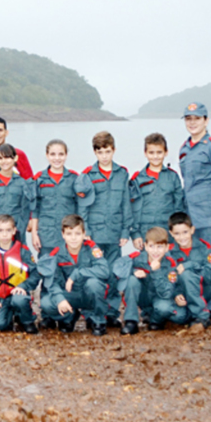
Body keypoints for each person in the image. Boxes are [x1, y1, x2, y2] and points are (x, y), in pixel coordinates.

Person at [178, 101, 211, 318]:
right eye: (189, 119)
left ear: (206, 120)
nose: (192, 123)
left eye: (197, 119)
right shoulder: (184, 149)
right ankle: (197, 304)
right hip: (191, 216)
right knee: (193, 259)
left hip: (210, 215)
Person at [78, 131, 132, 326]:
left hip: (115, 233)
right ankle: (93, 314)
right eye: (100, 152)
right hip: (95, 233)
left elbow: (126, 203)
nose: (104, 156)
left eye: (107, 151)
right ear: (95, 152)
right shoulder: (87, 175)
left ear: (113, 150)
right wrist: (86, 233)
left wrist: (126, 230)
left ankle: (111, 313)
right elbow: (83, 206)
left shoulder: (122, 173)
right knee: (94, 274)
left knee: (114, 274)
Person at [38, 214, 110, 335]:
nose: (73, 238)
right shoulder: (57, 253)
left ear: (84, 234)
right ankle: (69, 317)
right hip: (70, 295)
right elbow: (53, 282)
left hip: (88, 293)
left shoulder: (91, 248)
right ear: (63, 235)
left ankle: (97, 320)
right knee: (46, 303)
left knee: (94, 284)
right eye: (69, 234)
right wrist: (60, 300)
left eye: (77, 233)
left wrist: (78, 273)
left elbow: (104, 271)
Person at [119, 226, 187, 335]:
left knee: (178, 316)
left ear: (166, 248)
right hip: (144, 297)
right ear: (145, 246)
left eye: (160, 247)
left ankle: (155, 320)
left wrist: (156, 271)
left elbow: (166, 293)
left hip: (159, 297)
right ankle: (131, 321)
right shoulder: (137, 258)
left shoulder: (170, 264)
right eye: (151, 246)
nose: (155, 251)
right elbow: (119, 268)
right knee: (132, 280)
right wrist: (133, 272)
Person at [30, 139, 92, 257]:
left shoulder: (74, 179)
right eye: (53, 154)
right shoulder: (39, 179)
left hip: (70, 236)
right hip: (46, 235)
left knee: (70, 270)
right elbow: (35, 209)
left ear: (66, 155)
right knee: (48, 269)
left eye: (61, 154)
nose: (57, 158)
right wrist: (34, 233)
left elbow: (81, 208)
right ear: (47, 155)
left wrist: (83, 232)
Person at [0, 214, 39, 334]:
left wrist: (24, 286)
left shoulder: (23, 251)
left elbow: (35, 274)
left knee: (19, 300)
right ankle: (6, 318)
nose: (4, 234)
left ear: (14, 231)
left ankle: (27, 320)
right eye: (1, 230)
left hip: (18, 293)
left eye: (8, 230)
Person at [129, 134, 185, 249]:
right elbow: (133, 210)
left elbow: (179, 207)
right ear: (145, 153)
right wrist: (135, 234)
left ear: (166, 152)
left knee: (170, 264)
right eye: (151, 152)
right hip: (146, 233)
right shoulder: (137, 179)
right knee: (147, 265)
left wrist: (178, 233)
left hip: (168, 232)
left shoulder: (173, 177)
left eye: (159, 152)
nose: (155, 156)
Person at [167, 212, 211, 328]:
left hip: (203, 291)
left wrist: (190, 265)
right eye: (177, 234)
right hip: (182, 293)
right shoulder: (169, 252)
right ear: (171, 234)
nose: (182, 237)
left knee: (187, 275)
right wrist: (175, 294)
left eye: (185, 232)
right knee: (177, 317)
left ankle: (201, 316)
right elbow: (167, 278)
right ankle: (190, 313)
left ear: (192, 230)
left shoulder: (204, 248)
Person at [0, 144, 33, 246]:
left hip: (17, 234)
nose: (4, 161)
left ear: (15, 158)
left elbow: (25, 210)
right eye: (0, 158)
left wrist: (18, 231)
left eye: (7, 157)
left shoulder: (21, 183)